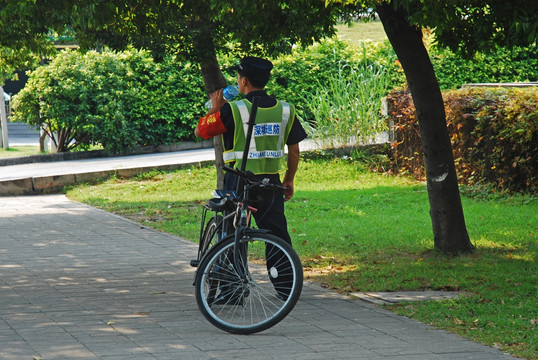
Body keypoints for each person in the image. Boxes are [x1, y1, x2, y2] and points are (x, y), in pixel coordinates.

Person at [195, 57, 306, 302]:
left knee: (232, 234)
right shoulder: (285, 109)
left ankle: (232, 292)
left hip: (239, 182)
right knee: (276, 234)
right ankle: (287, 288)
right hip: (270, 182)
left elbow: (201, 131)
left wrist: (215, 107)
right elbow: (294, 149)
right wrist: (289, 179)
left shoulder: (233, 109)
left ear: (243, 81)